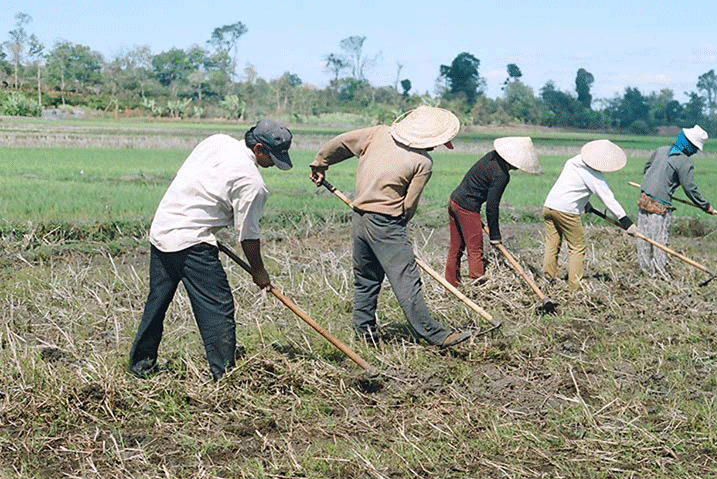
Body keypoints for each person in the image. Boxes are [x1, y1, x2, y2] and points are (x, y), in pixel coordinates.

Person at [129, 119, 293, 381]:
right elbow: (248, 236)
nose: (274, 163)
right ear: (259, 148)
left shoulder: (217, 141)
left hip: (163, 227)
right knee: (218, 307)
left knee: (157, 303)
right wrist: (259, 271)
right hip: (190, 239)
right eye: (273, 157)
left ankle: (140, 365)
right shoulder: (253, 183)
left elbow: (202, 183)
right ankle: (224, 376)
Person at [309, 106, 471, 348]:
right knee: (407, 280)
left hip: (360, 218)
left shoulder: (377, 133)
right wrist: (396, 233)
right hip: (387, 222)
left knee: (366, 279)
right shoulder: (422, 162)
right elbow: (409, 205)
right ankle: (434, 334)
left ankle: (364, 332)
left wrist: (320, 163)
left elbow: (341, 143)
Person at [444, 137, 542, 286]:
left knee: (456, 249)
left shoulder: (492, 156)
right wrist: (495, 235)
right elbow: (492, 206)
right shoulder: (501, 175)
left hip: (455, 200)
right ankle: (478, 289)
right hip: (467, 207)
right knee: (475, 250)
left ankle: (451, 287)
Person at [542, 140, 635, 290]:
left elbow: (571, 185)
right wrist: (627, 222)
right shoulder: (594, 176)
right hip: (567, 211)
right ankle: (575, 286)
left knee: (552, 243)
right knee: (577, 246)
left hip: (549, 206)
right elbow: (608, 199)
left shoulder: (572, 161)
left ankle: (549, 279)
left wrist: (585, 204)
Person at [637, 125, 713, 277]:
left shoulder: (661, 150)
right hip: (660, 205)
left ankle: (645, 272)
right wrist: (705, 206)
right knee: (658, 242)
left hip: (644, 199)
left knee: (644, 239)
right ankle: (658, 275)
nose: (696, 152)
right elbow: (689, 188)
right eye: (695, 148)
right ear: (689, 146)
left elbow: (647, 168)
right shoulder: (685, 162)